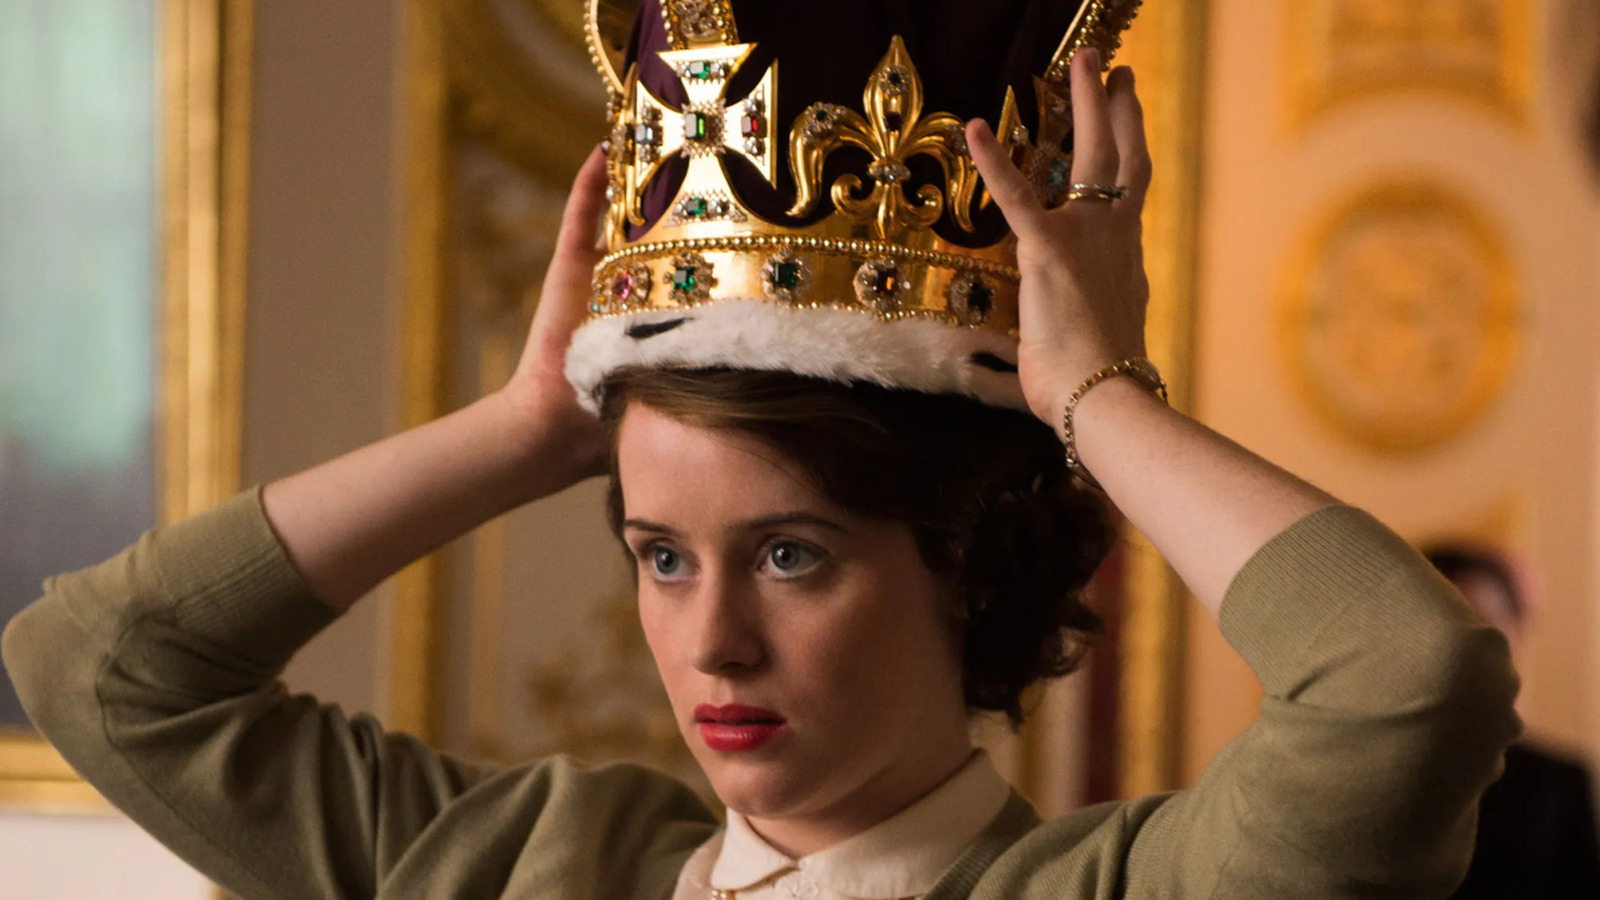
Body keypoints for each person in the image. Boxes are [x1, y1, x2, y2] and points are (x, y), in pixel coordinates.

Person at [3, 2, 1518, 897]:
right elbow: (99, 669)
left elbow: (1407, 679)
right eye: (661, 557)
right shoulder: (533, 864)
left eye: (790, 555)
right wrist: (533, 423)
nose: (709, 642)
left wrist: (1093, 397)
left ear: (967, 561)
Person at [1422, 545, 1600, 900]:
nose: (1464, 645)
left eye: (1484, 622)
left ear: (1518, 635)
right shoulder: (1365, 773)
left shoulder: (1558, 783)